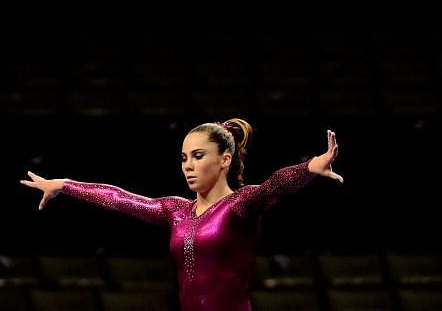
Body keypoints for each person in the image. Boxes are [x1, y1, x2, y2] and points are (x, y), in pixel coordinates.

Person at [20, 118, 343, 311]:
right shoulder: (175, 210)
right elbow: (120, 199)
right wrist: (64, 184)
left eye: (198, 156)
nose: (188, 165)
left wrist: (309, 168)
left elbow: (273, 186)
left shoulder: (241, 204)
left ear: (225, 159)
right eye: (184, 157)